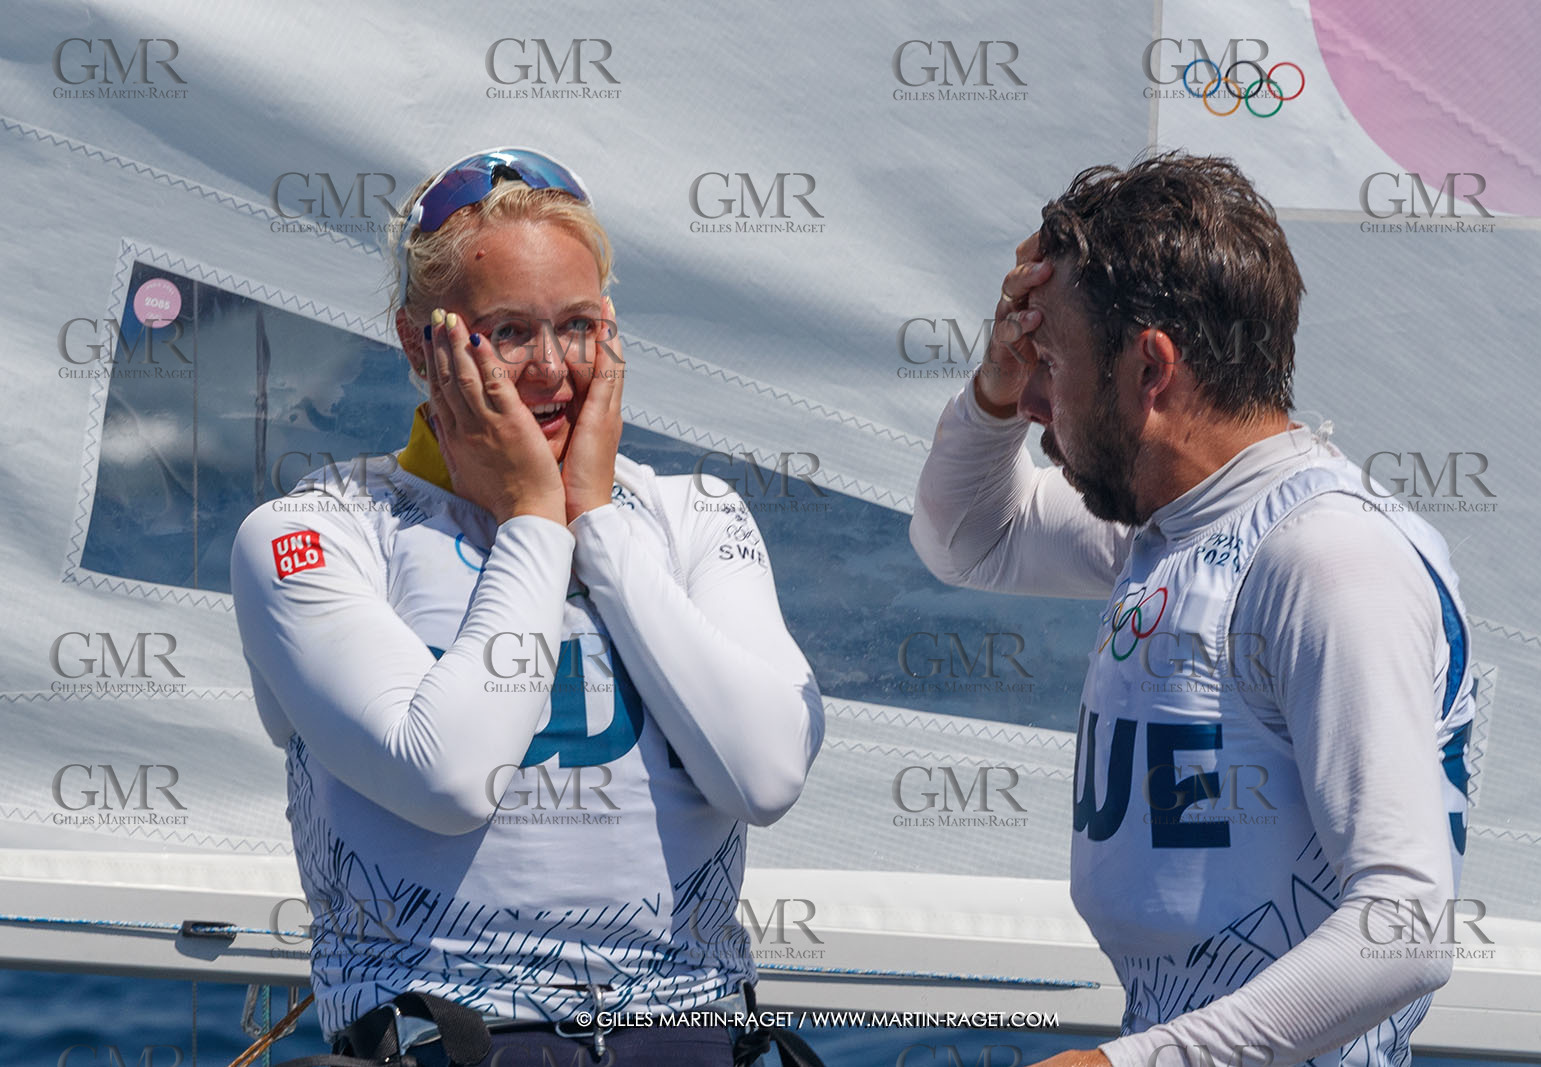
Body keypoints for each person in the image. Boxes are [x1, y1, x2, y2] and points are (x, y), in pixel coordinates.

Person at [231, 147, 825, 1066]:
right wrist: (535, 526)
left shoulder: (694, 515)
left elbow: (766, 774)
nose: (550, 370)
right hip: (448, 1037)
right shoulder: (313, 530)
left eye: (578, 326)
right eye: (507, 331)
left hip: (688, 1033)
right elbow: (449, 776)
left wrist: (599, 525)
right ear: (418, 341)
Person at [909, 153, 1474, 1067]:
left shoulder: (1326, 558)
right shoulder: (1170, 524)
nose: (1040, 406)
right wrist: (996, 382)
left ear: (1151, 368)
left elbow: (1405, 922)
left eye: (1052, 363)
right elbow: (967, 534)